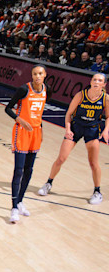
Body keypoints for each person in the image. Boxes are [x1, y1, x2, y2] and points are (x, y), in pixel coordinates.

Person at [38, 73, 108, 205]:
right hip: (76, 127)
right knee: (61, 158)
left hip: (92, 129)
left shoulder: (106, 98)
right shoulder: (81, 95)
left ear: (104, 84)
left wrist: (106, 130)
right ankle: (48, 183)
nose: (96, 82)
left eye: (100, 80)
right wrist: (68, 129)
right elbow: (69, 113)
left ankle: (97, 192)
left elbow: (108, 116)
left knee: (93, 163)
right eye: (94, 80)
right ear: (91, 81)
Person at [4, 65, 47, 223]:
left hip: (36, 132)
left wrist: (41, 129)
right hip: (22, 131)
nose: (37, 76)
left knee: (29, 169)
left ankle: (20, 201)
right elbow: (7, 109)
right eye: (35, 73)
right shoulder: (24, 89)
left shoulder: (46, 89)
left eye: (40, 73)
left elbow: (40, 112)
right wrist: (19, 119)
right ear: (32, 75)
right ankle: (14, 207)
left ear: (45, 75)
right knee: (19, 169)